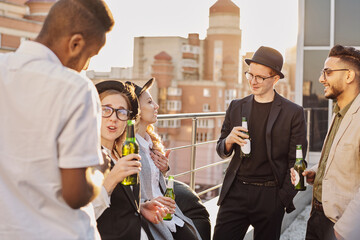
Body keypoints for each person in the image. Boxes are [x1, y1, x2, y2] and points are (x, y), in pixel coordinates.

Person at [0, 0, 113, 239]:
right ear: (75, 44)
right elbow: (75, 195)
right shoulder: (75, 88)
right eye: (90, 55)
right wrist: (98, 172)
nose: (86, 66)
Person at [213, 46, 308, 240]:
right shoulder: (236, 107)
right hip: (235, 192)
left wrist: (282, 199)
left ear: (275, 79)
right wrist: (229, 140)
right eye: (250, 75)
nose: (253, 81)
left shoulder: (293, 113)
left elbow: (297, 160)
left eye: (260, 77)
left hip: (270, 194)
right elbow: (221, 149)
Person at [290, 45, 360, 240]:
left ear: (348, 76)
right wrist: (318, 171)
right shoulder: (339, 112)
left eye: (327, 72)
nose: (321, 79)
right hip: (318, 216)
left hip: (341, 226)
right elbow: (342, 157)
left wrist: (344, 230)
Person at [127, 78, 203, 240]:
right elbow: (130, 192)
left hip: (168, 214)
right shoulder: (130, 147)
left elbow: (153, 182)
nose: (156, 106)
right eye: (149, 102)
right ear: (137, 110)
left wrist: (163, 170)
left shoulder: (150, 144)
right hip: (151, 216)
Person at [93, 80, 169, 240]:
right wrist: (112, 179)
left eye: (121, 112)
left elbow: (118, 204)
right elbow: (79, 216)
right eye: (106, 109)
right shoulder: (85, 157)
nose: (113, 118)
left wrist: (141, 207)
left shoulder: (121, 153)